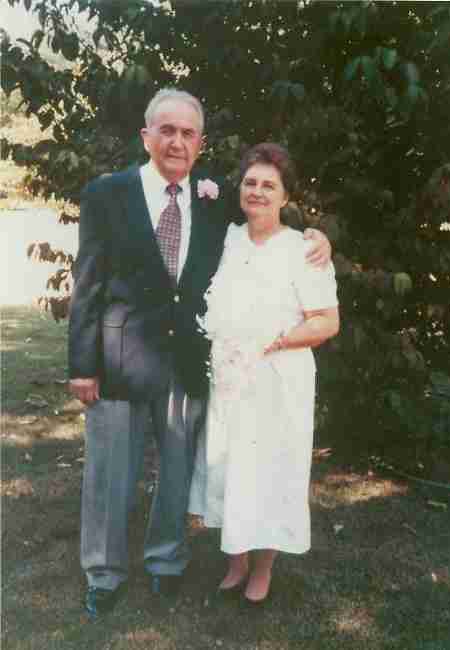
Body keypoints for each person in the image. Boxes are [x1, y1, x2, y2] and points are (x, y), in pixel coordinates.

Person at [68, 88, 332, 618]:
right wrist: (82, 367)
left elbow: (268, 220)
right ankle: (104, 573)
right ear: (146, 135)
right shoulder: (107, 193)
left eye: (188, 133)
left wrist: (317, 235)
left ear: (201, 143)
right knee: (109, 475)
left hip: (184, 361)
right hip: (118, 359)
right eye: (166, 130)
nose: (177, 142)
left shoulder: (212, 201)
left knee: (176, 471)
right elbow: (87, 284)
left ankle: (166, 561)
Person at [189, 142, 340, 604]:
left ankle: (263, 569)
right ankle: (235, 562)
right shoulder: (227, 238)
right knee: (230, 466)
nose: (257, 191)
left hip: (278, 379)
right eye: (250, 182)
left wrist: (275, 340)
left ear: (285, 195)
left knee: (272, 470)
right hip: (231, 379)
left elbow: (326, 322)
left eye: (268, 185)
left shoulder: (304, 250)